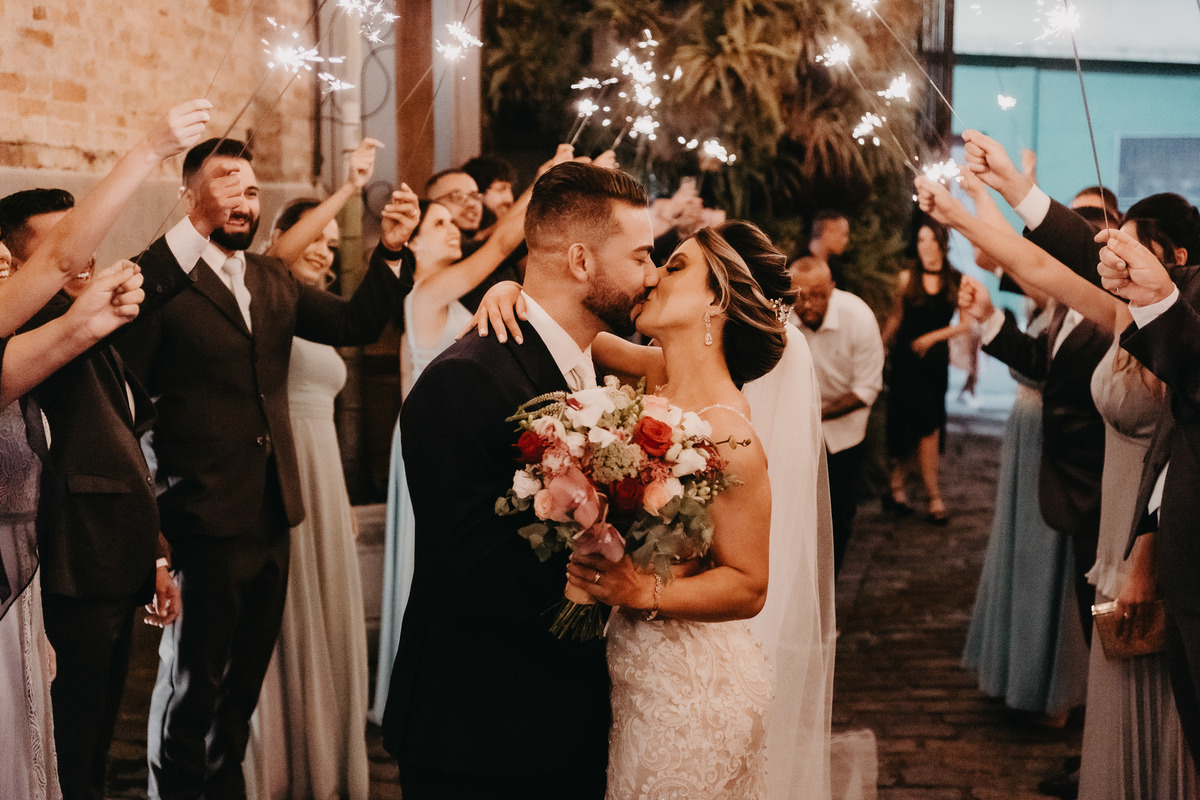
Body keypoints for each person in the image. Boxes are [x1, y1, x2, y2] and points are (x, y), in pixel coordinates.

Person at [469, 222, 835, 799]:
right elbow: (565, 330)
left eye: (677, 266)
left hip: (690, 694)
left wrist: (642, 592)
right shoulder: (654, 373)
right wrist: (509, 293)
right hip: (629, 672)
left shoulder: (730, 436)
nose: (653, 275)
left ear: (717, 299)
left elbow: (750, 585)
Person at [117, 136, 420, 800]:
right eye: (227, 184)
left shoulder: (270, 279)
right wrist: (157, 531)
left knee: (239, 697)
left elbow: (356, 322)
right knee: (193, 693)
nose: (243, 200)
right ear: (189, 197)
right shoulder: (160, 284)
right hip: (200, 517)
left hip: (273, 514)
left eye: (252, 189)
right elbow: (128, 407)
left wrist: (392, 251)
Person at [382, 161, 659, 798]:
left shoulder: (589, 367)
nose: (650, 274)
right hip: (485, 735)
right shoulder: (467, 379)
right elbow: (470, 572)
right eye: (641, 255)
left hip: (558, 720)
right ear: (583, 261)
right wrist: (618, 574)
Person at [919, 174, 1199, 798]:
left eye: (1127, 250)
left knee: (1161, 688)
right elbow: (1044, 268)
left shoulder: (1178, 335)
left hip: (1148, 530)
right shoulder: (1125, 315)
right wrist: (970, 211)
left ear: (1176, 260)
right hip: (1109, 522)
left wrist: (1146, 551)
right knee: (1117, 677)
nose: (1112, 262)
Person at [370, 143, 575, 724]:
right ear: (411, 245)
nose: (450, 232)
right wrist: (549, 176)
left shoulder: (456, 295)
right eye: (436, 225)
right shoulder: (425, 293)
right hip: (429, 447)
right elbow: (505, 243)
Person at [241, 138, 381, 800]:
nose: (323, 248)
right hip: (281, 478)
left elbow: (358, 327)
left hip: (326, 483)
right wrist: (348, 192)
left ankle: (325, 769)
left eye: (333, 241)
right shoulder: (259, 299)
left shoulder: (317, 313)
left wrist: (346, 501)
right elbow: (274, 261)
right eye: (312, 236)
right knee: (286, 621)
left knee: (328, 622)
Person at [1097, 224, 1200, 768]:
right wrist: (1015, 190)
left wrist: (1161, 299)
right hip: (1177, 547)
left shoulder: (1176, 301)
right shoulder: (1179, 290)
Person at [789, 255, 883, 575]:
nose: (808, 304)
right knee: (793, 514)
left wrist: (815, 415)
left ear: (832, 287)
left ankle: (828, 593)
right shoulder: (782, 318)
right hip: (794, 429)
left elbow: (867, 389)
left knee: (838, 515)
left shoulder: (859, 318)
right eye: (799, 295)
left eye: (818, 293)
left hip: (844, 431)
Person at [880, 221, 970, 523]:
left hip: (934, 366)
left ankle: (929, 494)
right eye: (920, 240)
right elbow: (896, 318)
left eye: (931, 240)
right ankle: (900, 488)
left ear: (943, 244)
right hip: (906, 363)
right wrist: (880, 347)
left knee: (929, 428)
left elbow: (965, 324)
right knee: (907, 426)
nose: (925, 246)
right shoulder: (907, 278)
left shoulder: (957, 280)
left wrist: (933, 337)